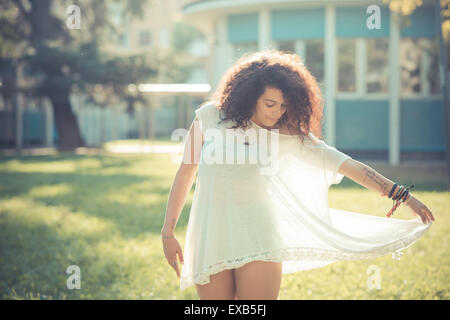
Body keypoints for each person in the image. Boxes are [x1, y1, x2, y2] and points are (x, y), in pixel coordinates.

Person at [161, 49, 435, 300]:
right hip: (211, 235)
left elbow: (348, 165)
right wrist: (168, 232)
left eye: (283, 106)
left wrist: (402, 195)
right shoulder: (210, 117)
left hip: (258, 237)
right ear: (248, 95)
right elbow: (186, 172)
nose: (277, 112)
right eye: (271, 104)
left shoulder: (289, 136)